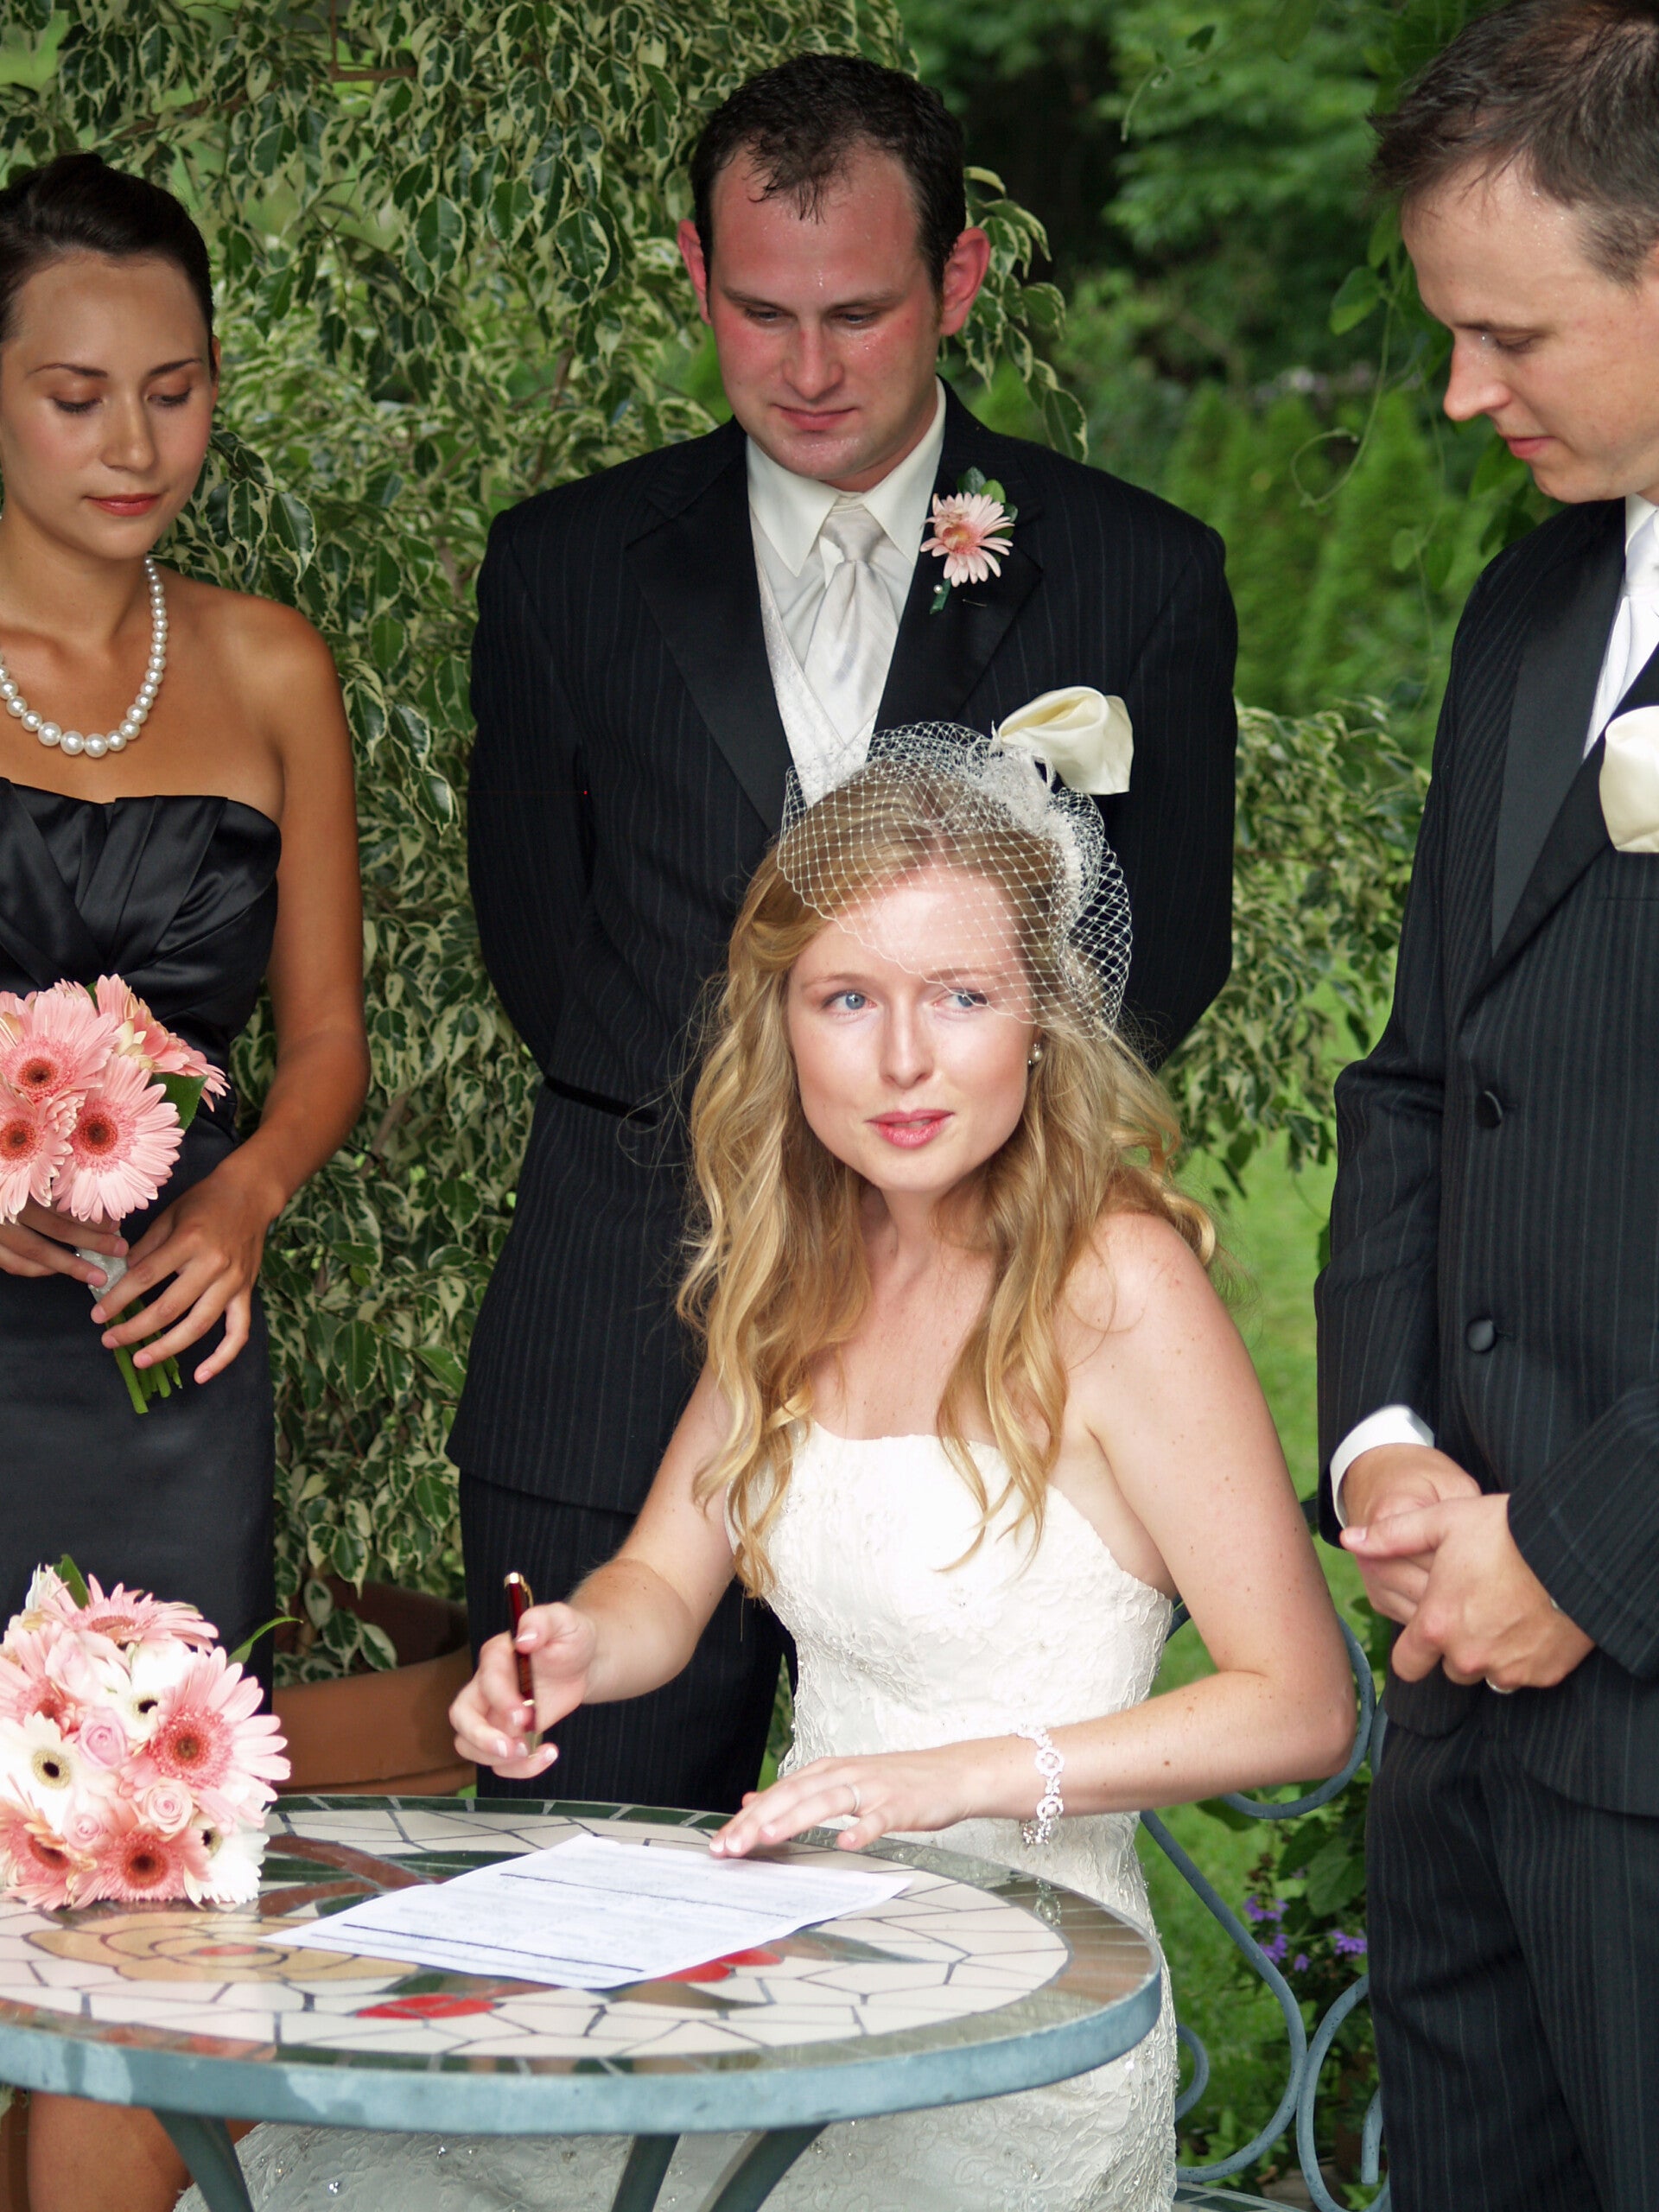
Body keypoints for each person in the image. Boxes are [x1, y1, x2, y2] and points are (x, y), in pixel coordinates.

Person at [207, 731, 1345, 2212]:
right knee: (359, 2166)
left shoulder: (1116, 1284)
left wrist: (953, 1780)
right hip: (797, 1977)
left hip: (1020, 2024)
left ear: (1044, 1020)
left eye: (963, 996)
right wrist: (570, 1648)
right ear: (783, 1021)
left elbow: (1299, 1701)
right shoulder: (803, 1267)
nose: (904, 1060)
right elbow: (659, 1585)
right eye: (848, 998)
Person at [455, 52, 1239, 1814]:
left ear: (959, 278)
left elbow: (1161, 955)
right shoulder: (561, 570)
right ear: (696, 273)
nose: (808, 369)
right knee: (582, 1900)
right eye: (762, 312)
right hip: (617, 1325)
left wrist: (950, 1194)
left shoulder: (1140, 575)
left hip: (981, 1344)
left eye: (860, 313)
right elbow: (545, 946)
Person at [0, 153, 369, 2212]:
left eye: (175, 388)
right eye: (76, 396)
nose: (136, 443)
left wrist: (244, 1199)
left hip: (160, 1387)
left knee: (135, 1924)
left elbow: (326, 1041)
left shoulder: (270, 665)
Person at [1315, 5, 1659, 2206]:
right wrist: (1383, 1444)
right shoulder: (1528, 604)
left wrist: (1589, 1553)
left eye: (1509, 333)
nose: (1461, 392)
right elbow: (1424, 1072)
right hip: (1461, 1721)